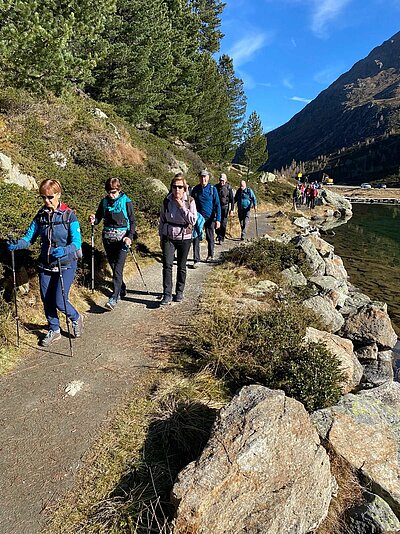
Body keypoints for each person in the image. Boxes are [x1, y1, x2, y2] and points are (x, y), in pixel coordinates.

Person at [7, 179, 83, 347]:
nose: (46, 201)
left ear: (58, 194)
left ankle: (75, 317)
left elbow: (77, 242)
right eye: (43, 197)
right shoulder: (40, 215)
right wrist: (16, 244)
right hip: (45, 264)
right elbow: (29, 238)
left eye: (50, 197)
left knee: (59, 300)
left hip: (66, 264)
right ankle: (54, 329)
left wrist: (65, 250)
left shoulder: (69, 215)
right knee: (46, 299)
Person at [89, 177, 136, 310]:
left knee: (118, 267)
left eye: (114, 192)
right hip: (108, 238)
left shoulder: (126, 201)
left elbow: (132, 221)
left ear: (119, 189)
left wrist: (129, 237)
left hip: (123, 239)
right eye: (109, 192)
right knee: (113, 265)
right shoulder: (104, 202)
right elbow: (98, 217)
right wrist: (94, 218)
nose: (111, 195)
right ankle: (122, 287)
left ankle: (114, 297)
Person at [159, 173, 197, 305]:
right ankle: (167, 294)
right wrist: (161, 236)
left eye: (180, 187)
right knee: (167, 265)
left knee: (181, 266)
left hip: (185, 237)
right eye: (175, 187)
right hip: (168, 237)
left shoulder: (190, 201)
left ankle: (179, 292)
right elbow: (162, 220)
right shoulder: (166, 200)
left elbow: (193, 220)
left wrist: (181, 206)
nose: (177, 190)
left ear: (185, 189)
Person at [191, 170, 221, 266]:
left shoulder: (212, 189)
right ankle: (196, 259)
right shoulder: (195, 189)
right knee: (195, 237)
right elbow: (191, 204)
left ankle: (210, 255)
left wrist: (218, 220)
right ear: (199, 178)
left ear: (208, 178)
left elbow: (217, 205)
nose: (203, 179)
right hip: (198, 218)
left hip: (210, 218)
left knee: (210, 237)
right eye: (201, 177)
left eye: (205, 177)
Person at [215, 173, 234, 244]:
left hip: (225, 208)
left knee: (223, 224)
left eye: (223, 180)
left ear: (226, 180)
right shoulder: (216, 187)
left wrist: (232, 209)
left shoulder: (229, 187)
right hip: (217, 208)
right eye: (220, 180)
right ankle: (218, 234)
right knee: (217, 222)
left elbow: (232, 200)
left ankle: (221, 238)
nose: (221, 182)